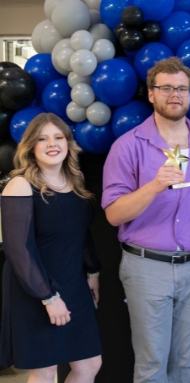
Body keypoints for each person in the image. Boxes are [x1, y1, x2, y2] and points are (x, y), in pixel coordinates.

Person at [102, 57, 190, 382]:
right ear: (151, 94)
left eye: (182, 88)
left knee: (187, 365)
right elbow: (114, 214)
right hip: (147, 267)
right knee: (151, 367)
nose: (175, 94)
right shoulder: (127, 146)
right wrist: (154, 186)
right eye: (166, 87)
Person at [0, 113, 102, 382]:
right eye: (42, 139)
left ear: (68, 143)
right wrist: (48, 297)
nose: (52, 144)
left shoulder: (76, 181)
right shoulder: (20, 185)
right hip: (35, 288)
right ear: (31, 147)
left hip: (73, 283)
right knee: (45, 370)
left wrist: (92, 273)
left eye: (58, 137)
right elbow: (17, 250)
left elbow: (80, 234)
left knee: (89, 364)